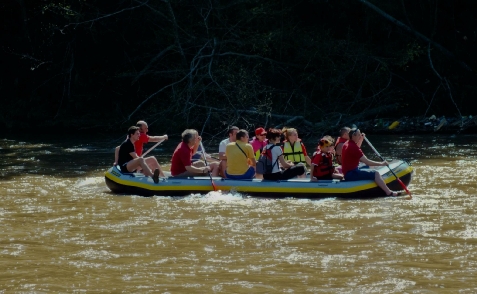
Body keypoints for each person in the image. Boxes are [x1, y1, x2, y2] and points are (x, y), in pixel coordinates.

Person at [341, 128, 399, 196]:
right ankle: (388, 192)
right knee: (375, 173)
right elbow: (367, 161)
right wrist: (382, 164)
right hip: (351, 174)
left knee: (368, 167)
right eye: (359, 135)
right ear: (353, 136)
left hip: (349, 171)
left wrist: (361, 140)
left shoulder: (347, 143)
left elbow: (356, 150)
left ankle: (380, 182)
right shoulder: (353, 147)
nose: (360, 136)